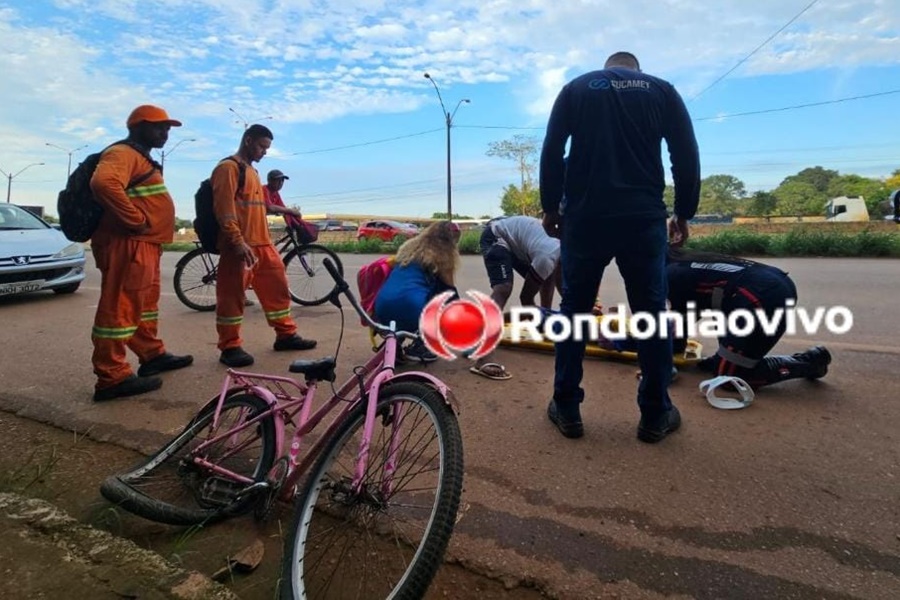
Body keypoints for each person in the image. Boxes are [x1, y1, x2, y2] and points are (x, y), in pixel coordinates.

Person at [539, 51, 701, 442]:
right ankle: (655, 414)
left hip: (586, 217)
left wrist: (550, 206)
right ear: (637, 69)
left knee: (574, 309)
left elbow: (553, 150)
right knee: (650, 314)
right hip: (642, 219)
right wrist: (684, 211)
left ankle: (567, 407)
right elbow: (685, 152)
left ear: (608, 65)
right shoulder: (662, 91)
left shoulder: (576, 89)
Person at [88, 104, 193, 402]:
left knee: (144, 305)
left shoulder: (138, 156)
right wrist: (135, 220)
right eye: (160, 127)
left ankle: (151, 354)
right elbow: (103, 183)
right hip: (128, 244)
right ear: (138, 127)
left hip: (144, 245)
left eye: (168, 129)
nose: (165, 133)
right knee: (119, 308)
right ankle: (112, 376)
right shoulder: (122, 153)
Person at [211, 124, 317, 368]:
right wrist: (237, 242)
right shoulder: (228, 168)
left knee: (278, 290)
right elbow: (224, 211)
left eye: (267, 148)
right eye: (261, 146)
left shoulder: (252, 172)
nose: (264, 152)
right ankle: (230, 347)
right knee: (232, 297)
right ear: (248, 140)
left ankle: (286, 335)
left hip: (263, 244)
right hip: (240, 246)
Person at [666, 248, 831, 388]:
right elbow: (685, 313)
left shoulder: (665, 276)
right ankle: (729, 359)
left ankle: (810, 362)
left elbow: (668, 322)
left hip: (761, 296)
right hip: (760, 288)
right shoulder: (677, 262)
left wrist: (656, 360)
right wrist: (673, 348)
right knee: (714, 304)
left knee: (729, 380)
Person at [471, 215, 563, 380]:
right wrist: (543, 317)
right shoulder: (548, 255)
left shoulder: (561, 253)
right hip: (496, 235)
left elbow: (563, 287)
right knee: (503, 288)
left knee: (547, 277)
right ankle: (484, 357)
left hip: (518, 243)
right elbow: (526, 298)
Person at [374, 221, 460, 362]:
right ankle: (422, 347)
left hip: (381, 308)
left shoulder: (409, 248)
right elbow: (449, 290)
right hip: (412, 309)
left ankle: (392, 346)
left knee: (412, 295)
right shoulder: (443, 255)